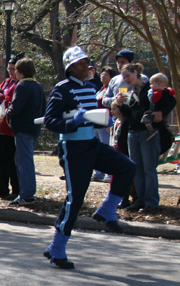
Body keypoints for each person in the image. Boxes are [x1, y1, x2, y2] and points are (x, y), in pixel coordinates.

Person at [42, 46, 136, 270]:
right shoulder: (62, 89)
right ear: (72, 67)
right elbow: (50, 121)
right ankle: (57, 247)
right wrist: (73, 121)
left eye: (86, 62)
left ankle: (106, 210)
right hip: (73, 148)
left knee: (127, 167)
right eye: (82, 63)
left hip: (91, 143)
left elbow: (89, 116)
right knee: (75, 199)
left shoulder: (90, 87)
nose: (87, 66)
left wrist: (104, 120)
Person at [117, 67, 176, 214]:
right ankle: (139, 201)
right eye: (124, 77)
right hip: (133, 132)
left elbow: (171, 100)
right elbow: (129, 114)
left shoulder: (150, 88)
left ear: (136, 73)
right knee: (136, 169)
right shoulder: (131, 93)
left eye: (128, 75)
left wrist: (161, 113)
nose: (126, 79)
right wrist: (119, 104)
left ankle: (151, 203)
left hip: (148, 133)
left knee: (149, 168)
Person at [6, 57, 45, 206]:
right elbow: (43, 108)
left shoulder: (22, 86)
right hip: (34, 127)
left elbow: (15, 108)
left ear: (20, 71)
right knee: (25, 160)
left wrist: (7, 112)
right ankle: (27, 192)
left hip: (22, 128)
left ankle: (27, 194)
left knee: (23, 162)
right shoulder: (38, 86)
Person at [0, 57, 20, 199]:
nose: (11, 72)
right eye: (9, 69)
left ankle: (16, 189)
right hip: (0, 127)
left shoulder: (19, 85)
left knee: (11, 160)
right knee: (0, 159)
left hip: (10, 127)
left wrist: (0, 95)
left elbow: (13, 102)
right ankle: (1, 188)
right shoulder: (7, 82)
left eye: (13, 69)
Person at [93, 66, 118, 182]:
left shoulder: (112, 90)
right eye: (102, 74)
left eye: (106, 75)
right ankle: (99, 173)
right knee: (97, 149)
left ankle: (110, 174)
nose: (102, 76)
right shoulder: (101, 89)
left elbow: (113, 107)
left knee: (107, 149)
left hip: (106, 123)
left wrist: (111, 124)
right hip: (97, 123)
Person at [142, 73, 176, 142]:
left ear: (159, 84)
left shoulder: (157, 93)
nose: (151, 86)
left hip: (155, 111)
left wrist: (150, 93)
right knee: (165, 123)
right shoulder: (168, 92)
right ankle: (170, 134)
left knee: (145, 119)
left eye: (152, 84)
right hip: (165, 113)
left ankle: (151, 130)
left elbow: (152, 100)